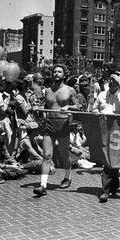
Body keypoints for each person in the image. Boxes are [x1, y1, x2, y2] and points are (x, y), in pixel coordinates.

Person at [33, 64, 79, 196]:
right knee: (47, 155)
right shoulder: (47, 90)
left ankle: (67, 177)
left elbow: (78, 106)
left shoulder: (70, 90)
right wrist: (37, 109)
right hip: (49, 124)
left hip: (63, 124)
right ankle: (43, 185)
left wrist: (69, 107)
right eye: (55, 72)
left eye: (59, 72)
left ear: (64, 75)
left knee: (64, 154)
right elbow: (43, 105)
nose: (57, 74)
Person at [93, 69, 120, 202]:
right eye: (111, 80)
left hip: (117, 132)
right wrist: (97, 113)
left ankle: (109, 187)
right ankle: (109, 187)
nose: (111, 82)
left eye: (115, 80)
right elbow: (95, 108)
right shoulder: (102, 95)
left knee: (113, 159)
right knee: (108, 159)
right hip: (104, 130)